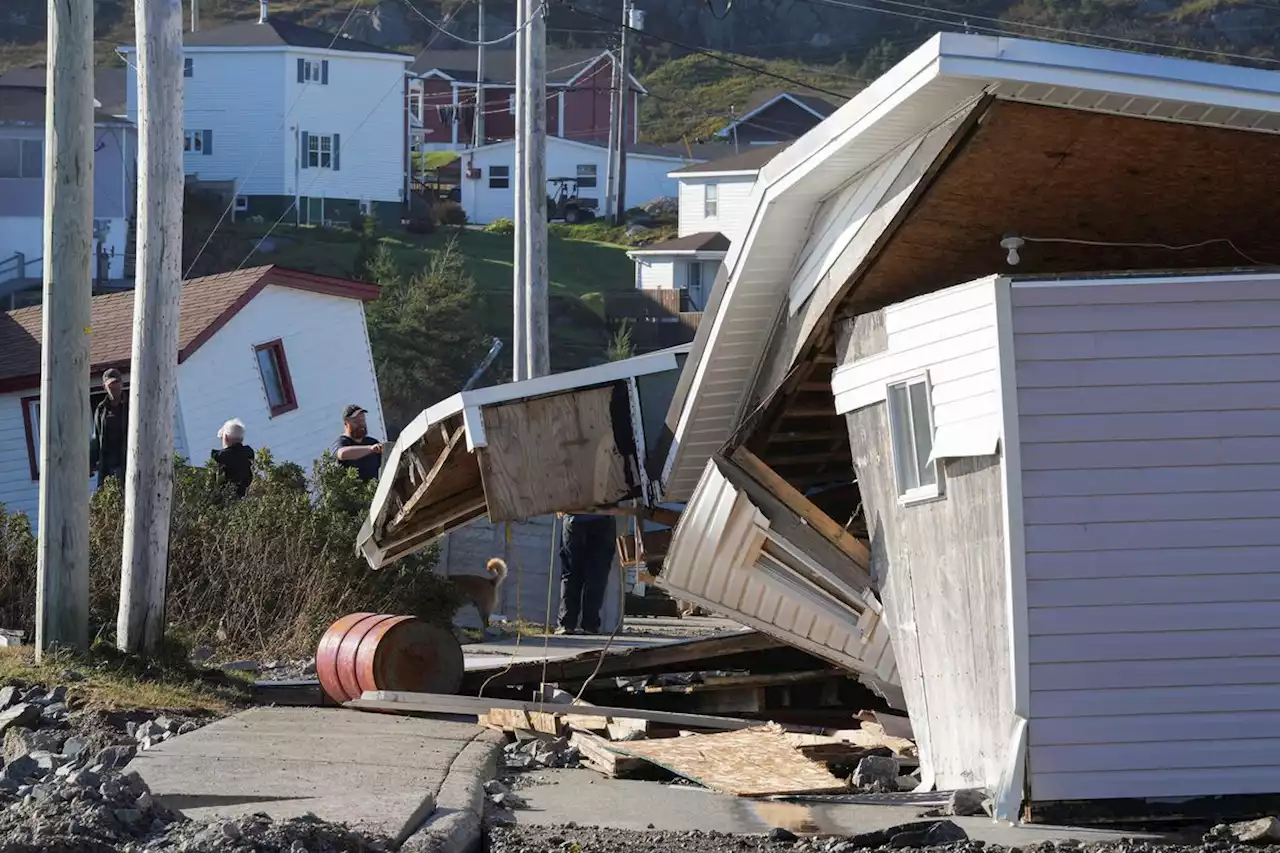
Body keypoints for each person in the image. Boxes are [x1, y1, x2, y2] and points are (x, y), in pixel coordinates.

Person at [556, 512, 617, 635]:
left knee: (571, 573)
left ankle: (567, 623)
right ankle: (590, 624)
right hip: (603, 517)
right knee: (597, 575)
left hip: (575, 518)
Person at [91, 368, 129, 488]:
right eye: (111, 385)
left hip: (127, 462)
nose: (114, 388)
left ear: (121, 384)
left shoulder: (132, 404)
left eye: (116, 384)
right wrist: (90, 462)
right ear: (105, 387)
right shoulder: (101, 409)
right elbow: (96, 437)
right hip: (107, 466)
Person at [332, 404, 383, 481]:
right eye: (356, 421)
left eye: (362, 420)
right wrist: (370, 449)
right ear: (346, 423)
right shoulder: (342, 442)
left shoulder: (372, 442)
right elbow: (342, 454)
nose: (361, 424)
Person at [211, 419, 254, 498]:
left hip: (227, 499)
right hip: (247, 497)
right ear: (242, 439)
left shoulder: (220, 457)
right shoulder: (249, 454)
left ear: (226, 438)